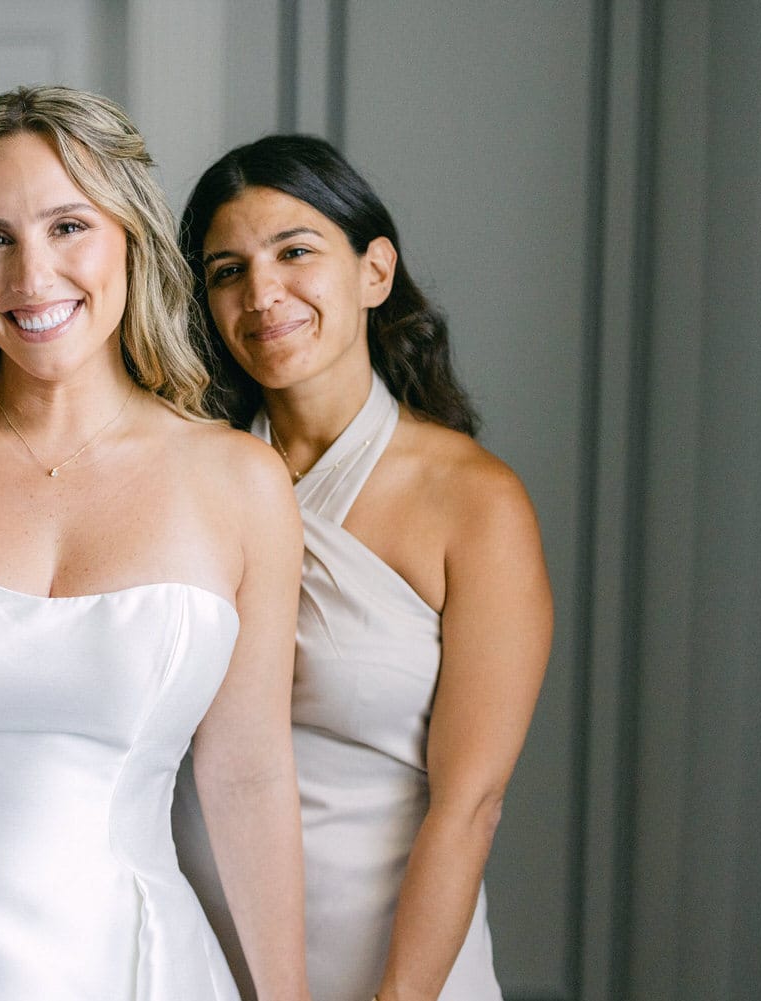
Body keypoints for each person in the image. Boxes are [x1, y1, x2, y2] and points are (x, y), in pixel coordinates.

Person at [0, 85, 311, 1001]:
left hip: (141, 967)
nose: (32, 277)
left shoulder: (242, 482)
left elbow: (248, 774)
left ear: (132, 237)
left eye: (69, 226)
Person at [172, 135, 553, 1001]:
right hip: (192, 953)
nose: (261, 293)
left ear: (374, 271)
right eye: (227, 269)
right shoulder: (187, 477)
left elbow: (472, 803)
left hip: (390, 967)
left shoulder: (475, 501)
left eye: (294, 252)